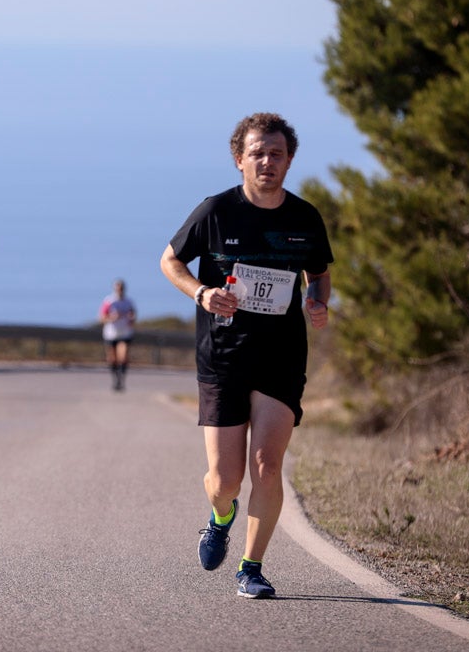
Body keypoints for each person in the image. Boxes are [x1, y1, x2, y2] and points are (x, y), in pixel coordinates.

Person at [159, 113, 332, 599]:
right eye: (257, 153)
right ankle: (221, 516)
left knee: (268, 467)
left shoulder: (305, 218)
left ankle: (251, 568)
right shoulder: (215, 211)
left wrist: (317, 300)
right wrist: (201, 293)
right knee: (225, 481)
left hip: (281, 357)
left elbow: (318, 273)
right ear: (240, 159)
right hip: (223, 357)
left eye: (276, 154)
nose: (267, 162)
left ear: (289, 160)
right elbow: (170, 261)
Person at [98, 279, 137, 391]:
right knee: (112, 359)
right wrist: (112, 318)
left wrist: (131, 318)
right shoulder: (109, 301)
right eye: (118, 288)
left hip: (125, 333)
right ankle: (115, 380)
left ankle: (122, 380)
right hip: (111, 334)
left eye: (121, 288)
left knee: (123, 357)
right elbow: (101, 318)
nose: (119, 291)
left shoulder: (129, 301)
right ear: (114, 289)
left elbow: (133, 315)